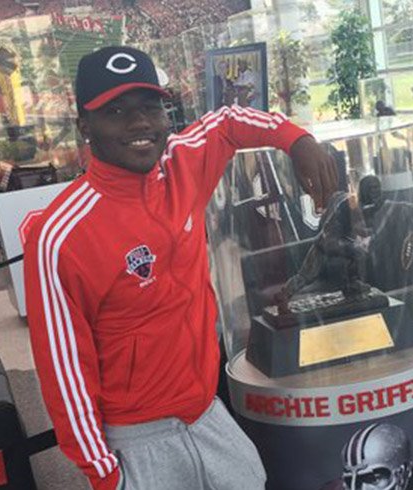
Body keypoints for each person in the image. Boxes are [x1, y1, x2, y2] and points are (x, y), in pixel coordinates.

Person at [23, 46, 338, 490]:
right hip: (135, 439)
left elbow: (227, 122)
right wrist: (106, 475)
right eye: (116, 111)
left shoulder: (181, 166)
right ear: (84, 127)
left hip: (206, 413)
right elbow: (64, 372)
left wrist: (296, 139)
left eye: (150, 107)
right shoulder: (60, 235)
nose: (140, 123)